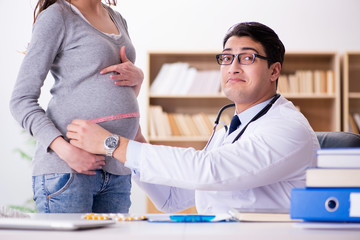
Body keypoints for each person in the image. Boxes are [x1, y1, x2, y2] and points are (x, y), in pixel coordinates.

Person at [66, 22, 320, 214]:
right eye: (227, 57)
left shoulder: (288, 128)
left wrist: (113, 144)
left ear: (274, 70)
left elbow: (208, 170)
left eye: (247, 57)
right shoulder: (228, 133)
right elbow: (172, 199)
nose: (233, 67)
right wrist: (135, 136)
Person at [9, 0, 143, 213]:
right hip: (68, 171)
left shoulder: (117, 19)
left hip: (117, 170)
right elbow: (21, 100)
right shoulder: (57, 16)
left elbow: (113, 90)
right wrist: (66, 151)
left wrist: (138, 77)